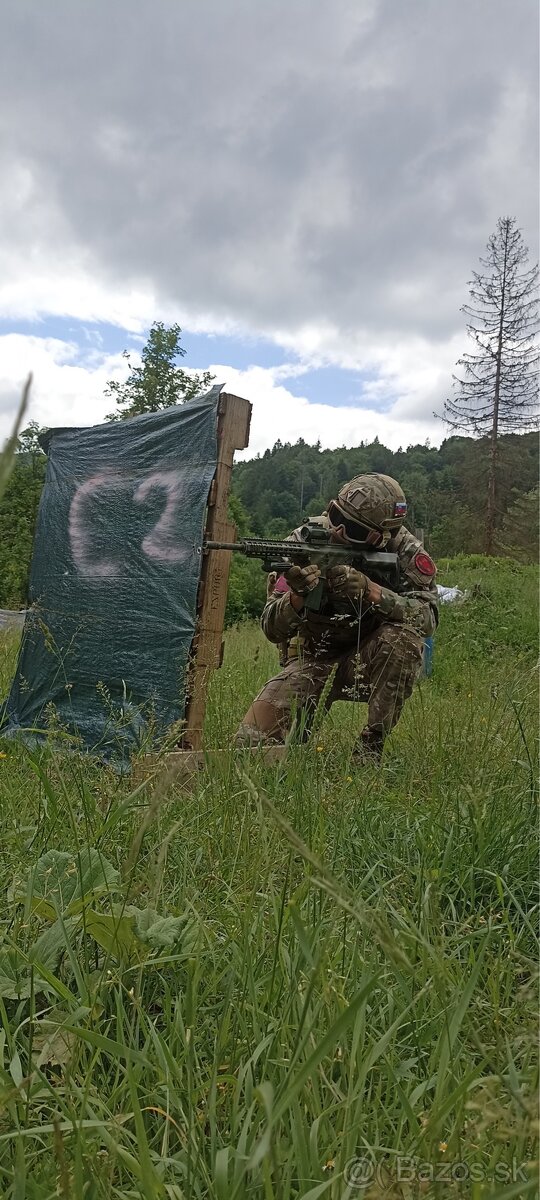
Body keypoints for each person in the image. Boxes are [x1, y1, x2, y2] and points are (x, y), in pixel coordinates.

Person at [234, 473, 438, 764]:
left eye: (353, 528)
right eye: (335, 516)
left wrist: (374, 592)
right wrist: (298, 596)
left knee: (402, 641)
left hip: (366, 662)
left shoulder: (405, 552)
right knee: (247, 747)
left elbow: (427, 619)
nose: (339, 531)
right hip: (312, 661)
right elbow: (270, 628)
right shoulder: (302, 544)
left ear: (380, 537)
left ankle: (371, 747)